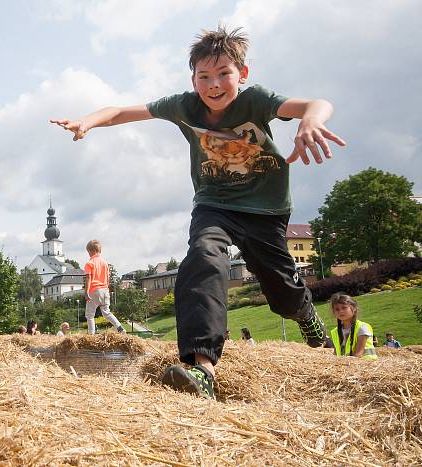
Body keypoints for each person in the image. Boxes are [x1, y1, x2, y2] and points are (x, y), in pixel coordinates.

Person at [51, 27, 344, 399]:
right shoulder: (184, 106)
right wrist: (87, 122)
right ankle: (201, 366)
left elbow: (316, 103)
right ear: (193, 80)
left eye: (224, 73)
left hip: (265, 210)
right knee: (204, 257)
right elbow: (123, 111)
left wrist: (311, 120)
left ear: (243, 74)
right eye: (204, 77)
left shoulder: (257, 101)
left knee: (283, 294)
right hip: (213, 205)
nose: (215, 84)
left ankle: (305, 315)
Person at [83, 240, 126, 335]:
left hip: (94, 290)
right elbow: (108, 277)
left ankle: (91, 335)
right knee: (107, 313)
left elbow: (88, 278)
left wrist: (86, 292)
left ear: (92, 250)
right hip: (105, 290)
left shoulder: (90, 263)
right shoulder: (105, 263)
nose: (88, 254)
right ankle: (120, 327)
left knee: (89, 315)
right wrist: (107, 288)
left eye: (88, 252)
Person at [329, 293, 377, 360]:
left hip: (365, 365)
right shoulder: (335, 332)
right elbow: (336, 353)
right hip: (346, 366)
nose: (341, 311)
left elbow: (358, 354)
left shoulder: (362, 327)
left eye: (344, 308)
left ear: (354, 308)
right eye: (337, 309)